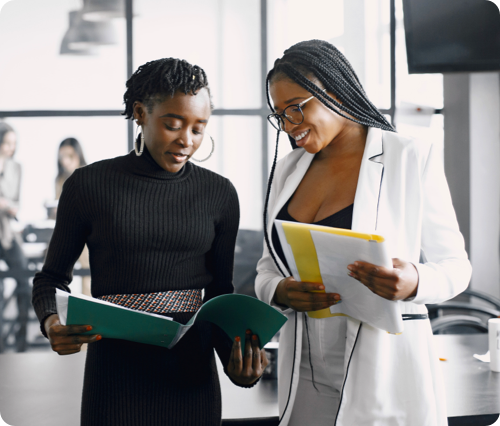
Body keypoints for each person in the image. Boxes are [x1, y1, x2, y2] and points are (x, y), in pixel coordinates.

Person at [32, 58, 268, 426]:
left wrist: (239, 368)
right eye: (173, 125)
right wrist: (51, 324)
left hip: (193, 380)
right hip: (115, 377)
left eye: (198, 128)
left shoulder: (219, 194)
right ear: (140, 114)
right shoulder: (87, 186)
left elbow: (220, 293)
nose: (186, 140)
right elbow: (49, 280)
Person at [255, 39, 471, 426]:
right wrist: (279, 291)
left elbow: (456, 266)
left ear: (334, 91)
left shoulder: (408, 157)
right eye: (280, 115)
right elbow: (268, 267)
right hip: (304, 367)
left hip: (384, 367)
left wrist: (414, 280)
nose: (289, 125)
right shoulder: (287, 170)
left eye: (296, 109)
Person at [0, 121, 30, 352]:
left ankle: (21, 339)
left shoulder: (16, 167)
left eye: (13, 144)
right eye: (7, 142)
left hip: (8, 232)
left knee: (23, 278)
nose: (10, 148)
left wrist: (6, 205)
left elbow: (15, 203)